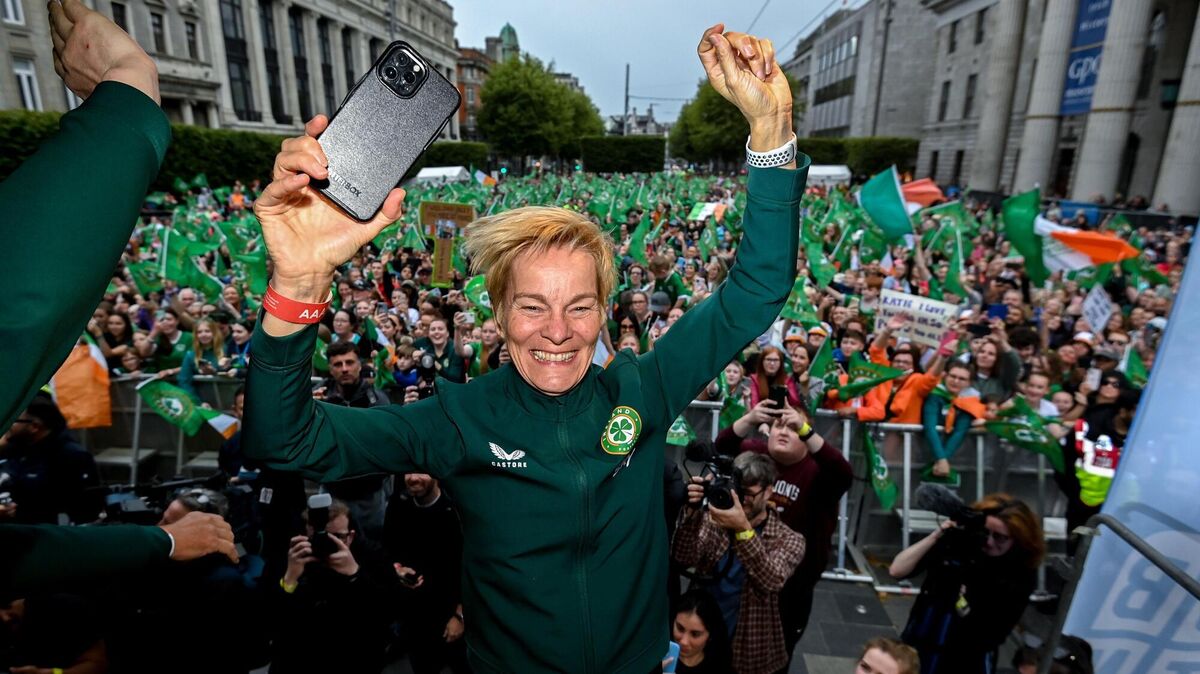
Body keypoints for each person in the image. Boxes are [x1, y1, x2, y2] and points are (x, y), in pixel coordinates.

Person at [244, 22, 806, 673]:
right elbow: (283, 440)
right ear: (500, 312)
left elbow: (757, 288)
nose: (558, 330)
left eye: (579, 306)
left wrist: (771, 132)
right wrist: (300, 278)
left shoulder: (644, 389)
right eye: (533, 306)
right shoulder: (456, 419)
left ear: (604, 313)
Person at [721, 400, 851, 656]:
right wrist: (750, 419)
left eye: (793, 428)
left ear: (806, 437)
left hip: (792, 584)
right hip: (742, 570)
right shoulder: (757, 454)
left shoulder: (818, 471)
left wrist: (805, 429)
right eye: (778, 425)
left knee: (774, 652)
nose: (783, 431)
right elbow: (722, 447)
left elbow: (843, 472)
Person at [673, 452, 806, 674]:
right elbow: (683, 558)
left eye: (749, 494)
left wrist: (743, 530)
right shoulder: (714, 521)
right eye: (738, 490)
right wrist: (692, 513)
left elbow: (771, 580)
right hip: (701, 638)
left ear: (768, 492)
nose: (740, 499)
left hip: (748, 645)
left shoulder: (789, 539)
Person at [890, 494, 1045, 674]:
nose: (989, 542)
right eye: (985, 532)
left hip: (964, 660)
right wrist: (938, 535)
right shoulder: (961, 543)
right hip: (918, 640)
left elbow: (991, 635)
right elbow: (897, 570)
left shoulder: (1019, 572)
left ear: (1018, 540)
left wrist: (962, 598)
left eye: (1000, 537)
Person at [269, 499, 394, 674]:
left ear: (350, 536)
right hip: (301, 658)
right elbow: (271, 621)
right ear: (306, 533)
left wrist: (355, 574)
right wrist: (290, 579)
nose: (328, 543)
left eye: (338, 536)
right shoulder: (293, 555)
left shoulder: (370, 556)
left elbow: (387, 611)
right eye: (321, 537)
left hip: (354, 658)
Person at [383, 473, 468, 674]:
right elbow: (387, 548)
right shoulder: (398, 504)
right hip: (415, 615)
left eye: (421, 471)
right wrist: (398, 569)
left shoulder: (454, 512)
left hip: (449, 613)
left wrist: (460, 615)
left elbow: (469, 568)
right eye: (408, 472)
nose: (413, 478)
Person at [0, 395, 102, 525]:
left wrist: (17, 512)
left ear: (34, 427)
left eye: (13, 420)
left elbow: (83, 510)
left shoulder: (70, 457)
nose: (6, 424)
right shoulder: (13, 447)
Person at [670, 589, 732, 674]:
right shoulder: (655, 653)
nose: (684, 642)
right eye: (680, 628)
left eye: (695, 634)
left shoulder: (720, 666)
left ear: (710, 635)